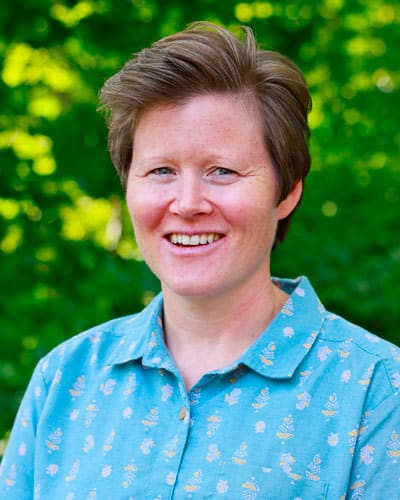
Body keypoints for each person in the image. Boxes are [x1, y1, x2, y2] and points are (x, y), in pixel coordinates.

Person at [1, 22, 399, 499]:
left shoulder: (378, 392)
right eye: (161, 171)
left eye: (222, 171)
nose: (187, 203)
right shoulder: (64, 381)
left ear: (287, 191)